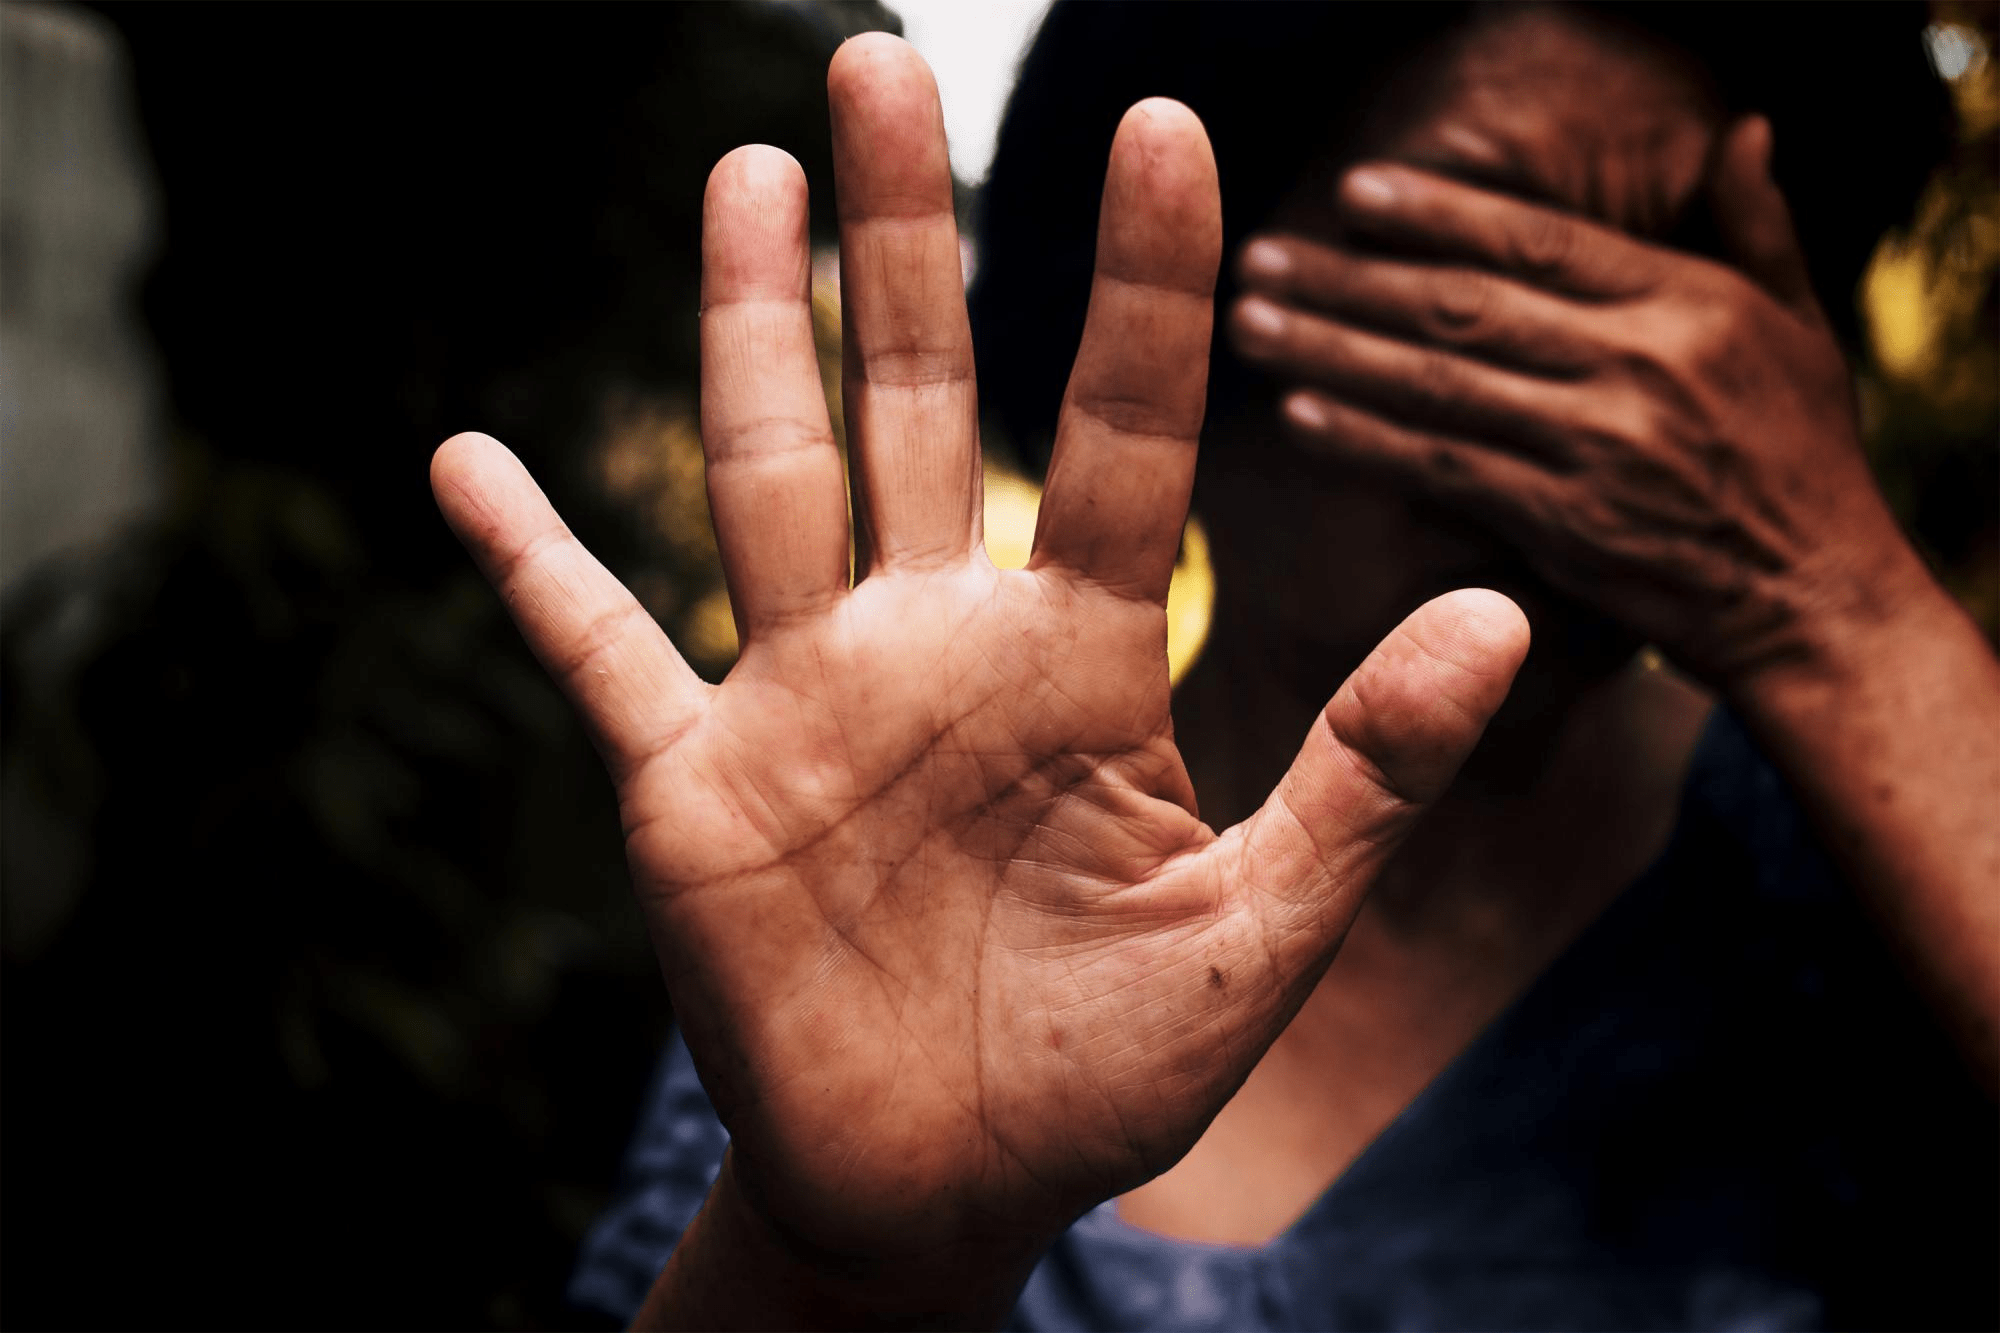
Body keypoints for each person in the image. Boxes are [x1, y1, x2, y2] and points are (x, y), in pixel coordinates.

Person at [432, 8, 1998, 1329]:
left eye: (1683, 274)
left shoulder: (1843, 863)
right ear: (1179, 299)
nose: (1637, 394)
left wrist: (1843, 613)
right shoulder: (920, 887)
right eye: (1484, 253)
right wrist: (836, 1273)